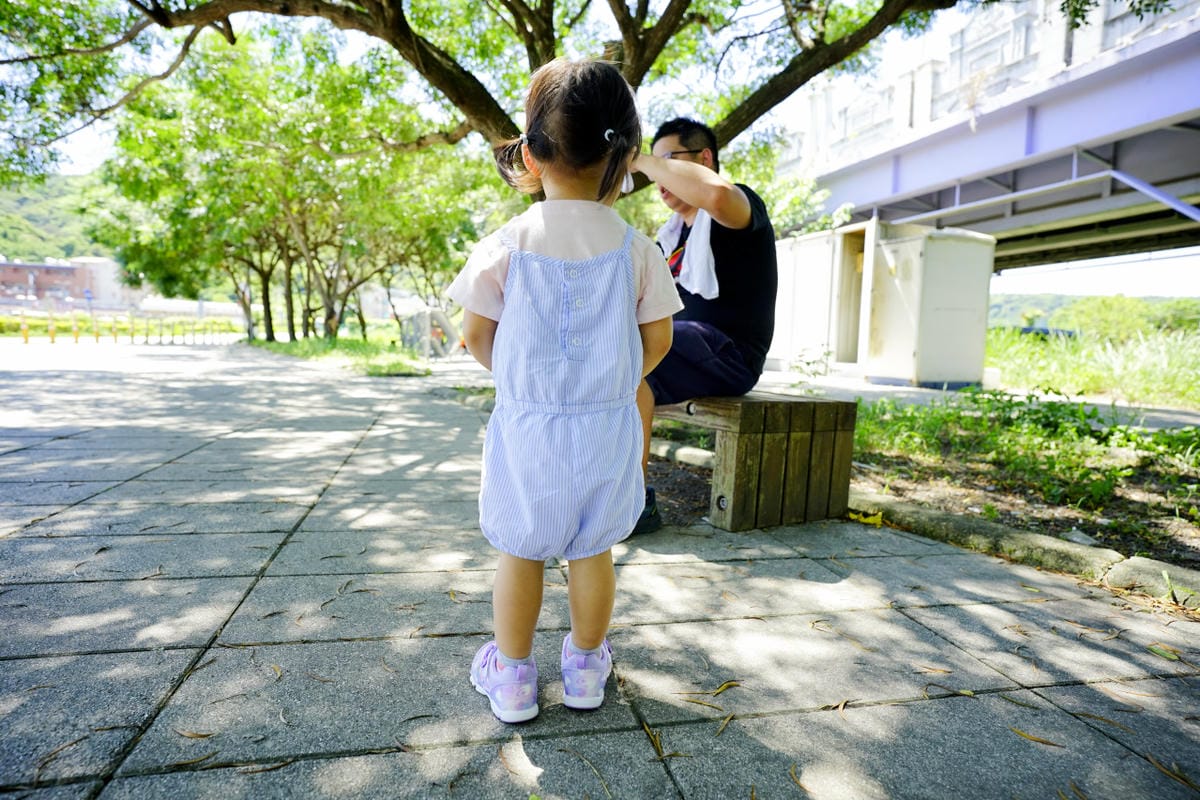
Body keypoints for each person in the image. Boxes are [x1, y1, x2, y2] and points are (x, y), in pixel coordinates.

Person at [446, 58, 682, 723]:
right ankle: (584, 664)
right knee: (591, 549)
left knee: (519, 548)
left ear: (530, 153)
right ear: (628, 158)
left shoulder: (506, 243)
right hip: (607, 425)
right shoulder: (637, 249)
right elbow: (657, 340)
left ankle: (514, 675)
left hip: (528, 424)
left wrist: (521, 380)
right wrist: (617, 376)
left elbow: (475, 334)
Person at [629, 118, 779, 534]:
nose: (655, 176)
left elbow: (715, 193)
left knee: (631, 357)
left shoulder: (737, 207)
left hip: (731, 355)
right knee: (617, 353)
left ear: (704, 158)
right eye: (651, 167)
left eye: (666, 162)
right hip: (689, 349)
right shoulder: (670, 236)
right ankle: (609, 489)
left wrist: (636, 156)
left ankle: (634, 502)